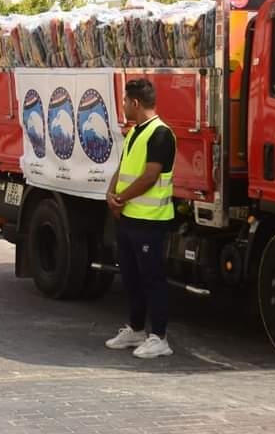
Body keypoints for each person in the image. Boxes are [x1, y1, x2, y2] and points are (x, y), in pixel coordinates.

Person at [104, 78, 177, 359]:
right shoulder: (134, 132)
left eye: (124, 101)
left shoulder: (161, 134)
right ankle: (135, 329)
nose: (122, 106)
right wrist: (110, 194)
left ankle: (159, 337)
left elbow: (150, 176)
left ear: (135, 103)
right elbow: (123, 168)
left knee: (153, 279)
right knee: (131, 278)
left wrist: (120, 199)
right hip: (128, 218)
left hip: (150, 220)